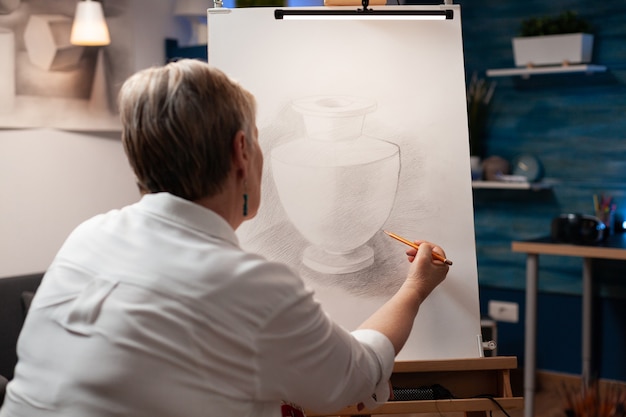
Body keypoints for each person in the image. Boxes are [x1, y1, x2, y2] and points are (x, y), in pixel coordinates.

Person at [0, 59, 449, 417]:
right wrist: (415, 287)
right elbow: (352, 378)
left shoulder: (87, 237)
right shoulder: (248, 285)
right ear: (241, 151)